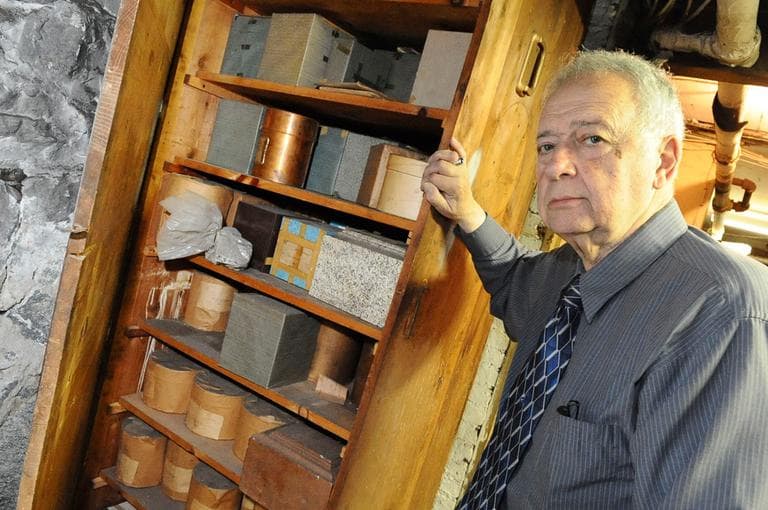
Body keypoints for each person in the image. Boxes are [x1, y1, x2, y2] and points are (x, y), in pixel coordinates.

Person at [422, 50, 768, 509]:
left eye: (592, 139)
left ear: (664, 162)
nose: (556, 164)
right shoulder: (568, 268)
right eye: (546, 146)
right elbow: (512, 278)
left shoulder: (720, 309)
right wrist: (467, 212)